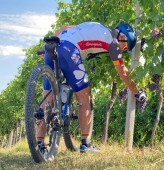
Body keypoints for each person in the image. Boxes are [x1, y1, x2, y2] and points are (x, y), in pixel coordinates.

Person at [37, 22, 147, 153]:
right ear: (122, 36)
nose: (123, 50)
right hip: (69, 50)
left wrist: (44, 49)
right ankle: (85, 144)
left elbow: (65, 28)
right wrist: (136, 91)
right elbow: (123, 72)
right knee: (85, 97)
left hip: (51, 46)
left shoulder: (96, 25)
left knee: (46, 101)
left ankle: (38, 145)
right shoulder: (113, 43)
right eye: (126, 46)